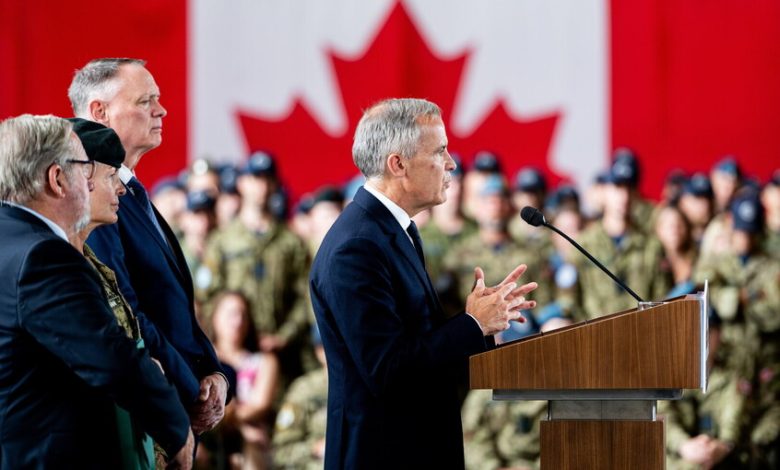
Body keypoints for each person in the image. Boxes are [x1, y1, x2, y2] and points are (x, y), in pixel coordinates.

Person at [309, 98, 539, 469]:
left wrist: (482, 323)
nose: (451, 163)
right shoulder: (356, 247)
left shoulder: (392, 230)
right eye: (439, 151)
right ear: (398, 164)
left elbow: (419, 341)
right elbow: (388, 370)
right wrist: (472, 323)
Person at [0, 114, 193, 468]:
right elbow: (112, 360)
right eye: (84, 168)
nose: (90, 183)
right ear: (57, 179)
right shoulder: (45, 257)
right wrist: (177, 428)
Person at [68, 57, 227, 434]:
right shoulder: (91, 198)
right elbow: (125, 311)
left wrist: (214, 374)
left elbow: (174, 305)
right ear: (100, 112)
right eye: (145, 101)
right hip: (148, 412)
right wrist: (190, 392)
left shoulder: (132, 191)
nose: (161, 110)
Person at [207, 291, 279, 470]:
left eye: (243, 315)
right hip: (209, 436)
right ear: (214, 317)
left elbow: (259, 406)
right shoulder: (202, 358)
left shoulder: (265, 361)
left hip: (253, 444)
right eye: (231, 314)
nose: (238, 321)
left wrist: (229, 416)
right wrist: (241, 427)